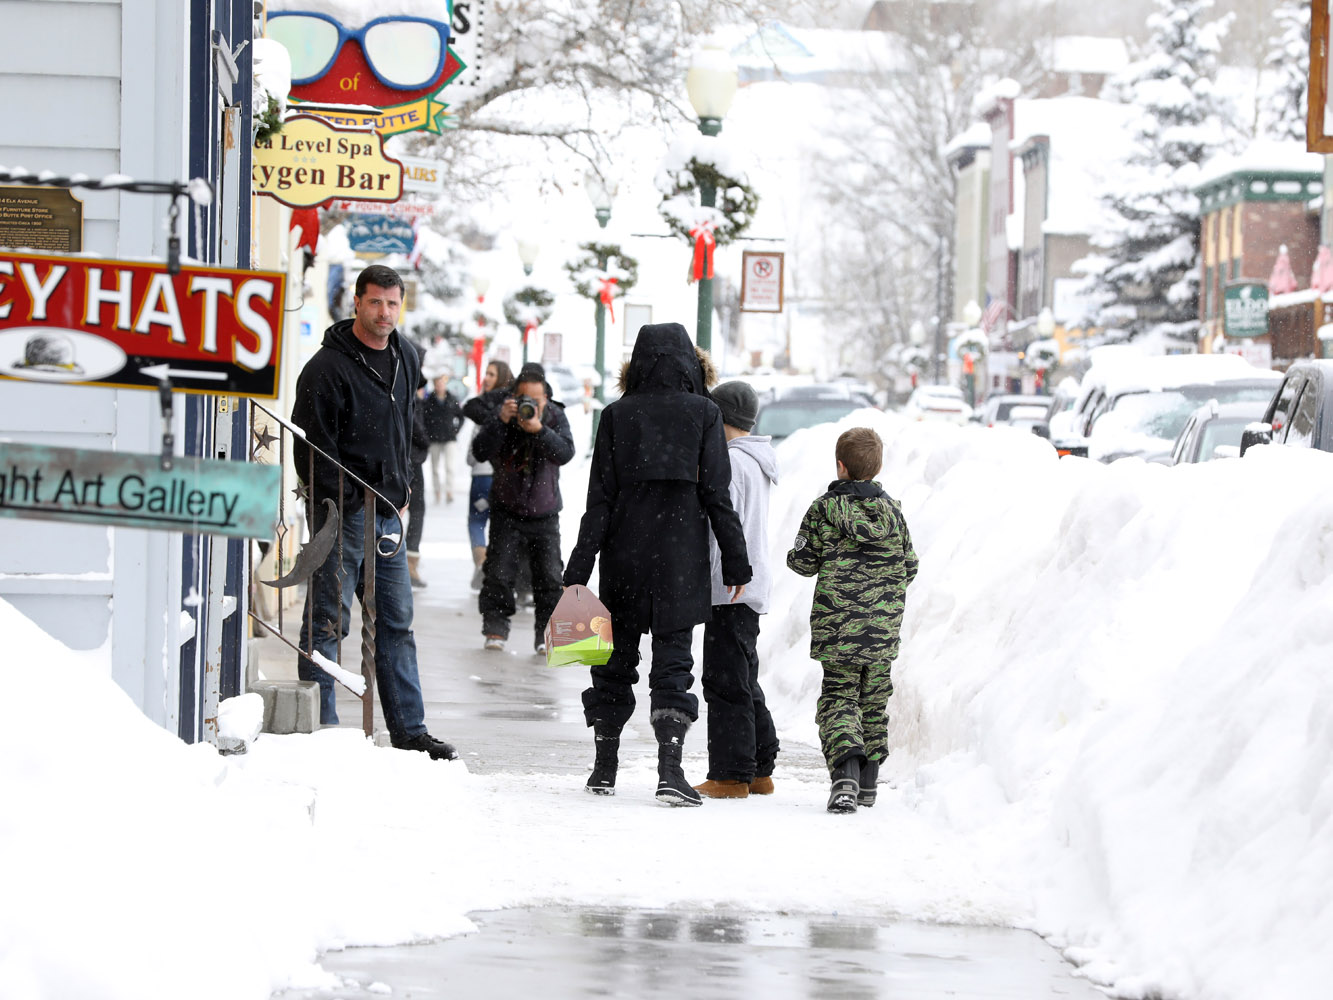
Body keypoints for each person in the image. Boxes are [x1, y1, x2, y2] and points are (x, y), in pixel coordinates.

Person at [564, 323, 751, 807]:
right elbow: (717, 495)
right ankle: (670, 771)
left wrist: (578, 569)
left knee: (612, 662)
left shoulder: (616, 416)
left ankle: (604, 767)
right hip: (680, 560)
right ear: (690, 361)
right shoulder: (706, 413)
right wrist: (736, 562)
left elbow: (598, 501)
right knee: (673, 665)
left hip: (624, 557)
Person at [290, 263, 458, 761]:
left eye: (392, 302)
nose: (384, 312)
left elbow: (407, 425)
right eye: (375, 302)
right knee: (328, 619)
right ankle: (321, 724)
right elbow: (312, 448)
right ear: (357, 303)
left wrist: (404, 480)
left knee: (396, 622)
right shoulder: (327, 366)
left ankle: (409, 729)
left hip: (388, 514)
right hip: (341, 515)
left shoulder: (405, 355)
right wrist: (340, 503)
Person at [786, 427, 917, 813]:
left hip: (838, 628)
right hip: (881, 630)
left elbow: (803, 562)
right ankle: (869, 782)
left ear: (840, 466)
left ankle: (845, 775)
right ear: (876, 469)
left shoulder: (823, 509)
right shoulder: (894, 511)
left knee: (840, 697)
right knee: (873, 701)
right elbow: (909, 565)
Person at [693, 381, 781, 800]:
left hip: (730, 583)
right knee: (744, 677)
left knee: (724, 680)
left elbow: (720, 527)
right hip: (750, 583)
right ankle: (760, 767)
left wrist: (707, 577)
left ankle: (730, 774)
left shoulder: (730, 462)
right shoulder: (757, 459)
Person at [470, 362, 575, 654]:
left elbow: (566, 453)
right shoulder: (503, 416)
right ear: (513, 398)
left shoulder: (555, 416)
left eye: (536, 400)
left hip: (546, 512)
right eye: (523, 399)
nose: (529, 405)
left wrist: (539, 429)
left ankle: (546, 635)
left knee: (550, 578)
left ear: (546, 398)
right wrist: (500, 422)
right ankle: (495, 628)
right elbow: (480, 450)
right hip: (507, 509)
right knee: (499, 574)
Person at [462, 359, 513, 590]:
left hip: (482, 478)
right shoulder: (509, 410)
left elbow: (472, 456)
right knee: (499, 523)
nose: (487, 379)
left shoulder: (483, 413)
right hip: (503, 478)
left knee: (477, 520)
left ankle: (482, 562)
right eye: (487, 374)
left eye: (492, 375)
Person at [404, 358, 431, 589]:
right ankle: (408, 562)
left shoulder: (404, 387)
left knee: (408, 508)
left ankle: (406, 560)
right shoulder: (410, 394)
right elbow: (416, 428)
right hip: (409, 460)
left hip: (405, 458)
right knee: (415, 508)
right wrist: (425, 440)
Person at [422, 372, 465, 504]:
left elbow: (460, 416)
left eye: (442, 383)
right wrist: (427, 432)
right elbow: (423, 418)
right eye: (437, 383)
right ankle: (437, 491)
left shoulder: (452, 399)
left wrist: (455, 430)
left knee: (449, 467)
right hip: (434, 438)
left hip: (449, 437)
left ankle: (449, 491)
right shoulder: (429, 401)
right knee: (435, 468)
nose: (440, 386)